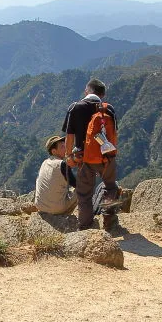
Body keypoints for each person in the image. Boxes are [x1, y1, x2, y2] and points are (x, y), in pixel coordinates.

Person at [61, 78, 121, 229]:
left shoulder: (76, 107)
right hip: (107, 157)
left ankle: (86, 226)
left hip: (84, 158)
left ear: (87, 91)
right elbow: (114, 134)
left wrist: (68, 156)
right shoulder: (109, 109)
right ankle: (109, 221)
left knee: (84, 194)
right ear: (103, 94)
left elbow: (69, 136)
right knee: (111, 187)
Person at [34, 135, 78, 215]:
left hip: (40, 206)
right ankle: (65, 215)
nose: (66, 148)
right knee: (82, 189)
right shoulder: (62, 164)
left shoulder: (45, 162)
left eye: (65, 145)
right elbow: (76, 184)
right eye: (62, 147)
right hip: (56, 209)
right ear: (54, 151)